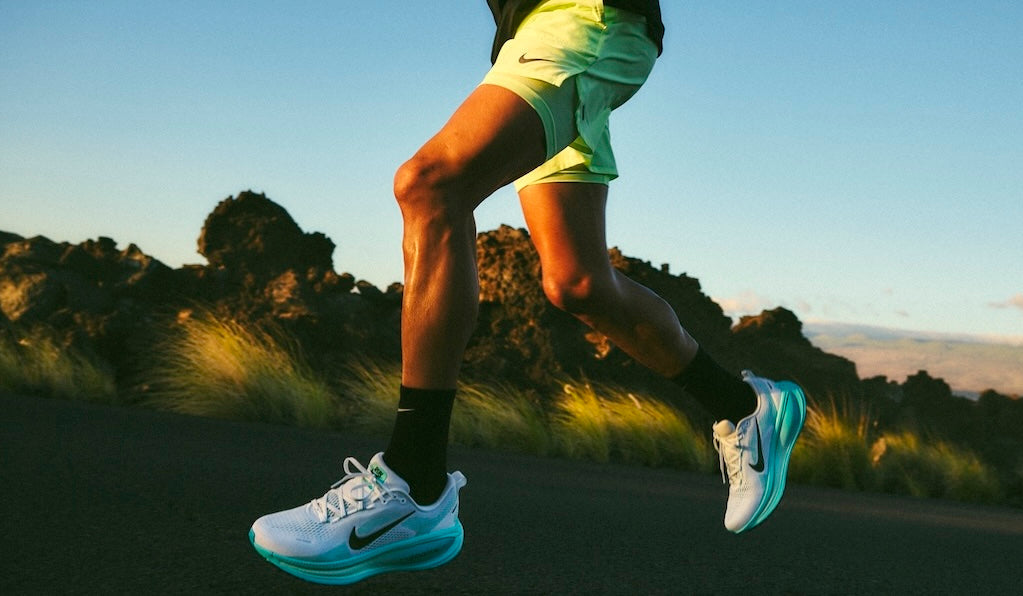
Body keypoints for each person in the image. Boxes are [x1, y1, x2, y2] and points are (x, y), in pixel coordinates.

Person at [249, 0, 807, 584]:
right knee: (577, 283)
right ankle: (744, 406)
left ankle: (415, 483)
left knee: (431, 185)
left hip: (583, 21)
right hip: (530, 38)